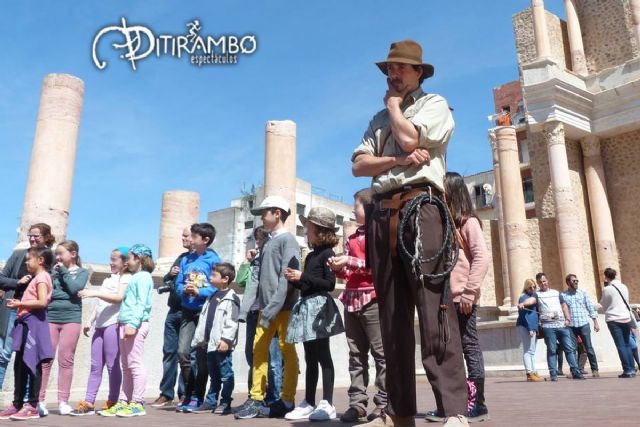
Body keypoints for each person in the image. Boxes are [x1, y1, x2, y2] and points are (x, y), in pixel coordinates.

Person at [352, 39, 468, 427]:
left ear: (420, 72)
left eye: (401, 68)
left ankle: (453, 411)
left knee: (433, 307)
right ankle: (399, 412)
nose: (393, 74)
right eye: (389, 68)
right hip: (381, 212)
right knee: (391, 315)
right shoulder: (376, 120)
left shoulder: (434, 105)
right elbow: (358, 166)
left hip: (422, 207)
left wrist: (392, 108)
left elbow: (410, 138)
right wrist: (398, 161)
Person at [426, 172, 491, 423]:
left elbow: (482, 258)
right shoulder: (445, 224)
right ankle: (453, 403)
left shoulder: (469, 223)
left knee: (469, 347)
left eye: (442, 191)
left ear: (452, 192)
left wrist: (469, 291)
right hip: (444, 300)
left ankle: (477, 402)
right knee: (447, 351)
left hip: (462, 298)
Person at [234, 195, 301, 419]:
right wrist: (245, 309)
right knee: (259, 351)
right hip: (265, 308)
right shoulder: (267, 243)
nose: (262, 217)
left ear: (277, 214)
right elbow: (255, 278)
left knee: (286, 350)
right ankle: (255, 398)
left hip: (284, 308)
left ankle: (287, 399)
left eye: (265, 212)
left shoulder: (288, 240)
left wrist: (273, 306)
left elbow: (288, 277)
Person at [328, 188, 386, 424]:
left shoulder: (378, 234)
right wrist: (338, 267)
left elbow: (378, 266)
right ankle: (357, 404)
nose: (353, 210)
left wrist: (350, 261)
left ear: (370, 208)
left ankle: (383, 403)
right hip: (351, 299)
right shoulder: (352, 238)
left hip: (373, 299)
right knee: (355, 355)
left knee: (381, 354)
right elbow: (350, 271)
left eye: (357, 205)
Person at [284, 207, 344, 421]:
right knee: (310, 357)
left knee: (323, 355)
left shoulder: (328, 254)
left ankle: (327, 402)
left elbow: (329, 284)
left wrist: (303, 276)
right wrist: (296, 279)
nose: (305, 229)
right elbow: (308, 283)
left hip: (319, 308)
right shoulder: (311, 256)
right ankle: (309, 401)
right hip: (307, 306)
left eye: (308, 226)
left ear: (319, 229)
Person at [71, 247, 131, 416]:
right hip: (100, 326)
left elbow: (119, 298)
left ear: (125, 263)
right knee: (95, 365)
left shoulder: (126, 278)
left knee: (113, 365)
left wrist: (93, 292)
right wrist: (90, 320)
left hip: (114, 325)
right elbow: (100, 304)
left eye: (114, 259)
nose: (111, 262)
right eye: (110, 259)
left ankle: (113, 401)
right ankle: (89, 402)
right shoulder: (107, 280)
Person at [98, 244, 155, 417]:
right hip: (126, 324)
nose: (127, 261)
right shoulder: (137, 277)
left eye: (129, 258)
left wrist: (132, 324)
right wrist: (122, 321)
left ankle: (137, 402)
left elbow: (141, 303)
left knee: (135, 364)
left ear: (138, 259)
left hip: (134, 325)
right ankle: (124, 401)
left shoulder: (143, 277)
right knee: (127, 366)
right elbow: (129, 303)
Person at [0, 246, 54, 420]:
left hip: (34, 324)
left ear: (40, 261)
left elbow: (42, 302)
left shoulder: (42, 278)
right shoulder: (36, 278)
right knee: (20, 365)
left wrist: (19, 305)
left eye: (29, 259)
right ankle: (17, 403)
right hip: (25, 323)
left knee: (33, 364)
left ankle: (32, 405)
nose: (26, 262)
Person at [39, 240, 89, 416]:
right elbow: (49, 293)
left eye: (61, 254)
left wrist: (64, 273)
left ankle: (63, 401)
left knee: (66, 360)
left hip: (71, 319)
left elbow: (76, 288)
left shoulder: (82, 272)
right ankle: (40, 400)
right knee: (46, 360)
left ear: (73, 254)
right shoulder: (52, 272)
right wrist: (66, 292)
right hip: (51, 317)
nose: (57, 257)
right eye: (56, 254)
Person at [175, 223, 221, 412]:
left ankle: (197, 397)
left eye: (194, 237)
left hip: (205, 312)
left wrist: (199, 291)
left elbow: (218, 285)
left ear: (205, 240)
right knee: (183, 353)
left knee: (200, 358)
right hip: (187, 311)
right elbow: (178, 285)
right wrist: (184, 290)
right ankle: (188, 393)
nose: (190, 239)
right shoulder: (186, 259)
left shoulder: (213, 259)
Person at [237, 226, 283, 407]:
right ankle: (255, 395)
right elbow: (241, 281)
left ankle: (273, 398)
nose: (257, 242)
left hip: (268, 312)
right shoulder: (255, 261)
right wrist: (247, 262)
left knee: (273, 358)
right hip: (253, 312)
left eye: (260, 238)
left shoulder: (272, 258)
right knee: (253, 355)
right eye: (255, 239)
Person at [189, 262, 240, 415]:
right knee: (214, 375)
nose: (210, 277)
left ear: (225, 279)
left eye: (214, 275)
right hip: (209, 344)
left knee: (225, 374)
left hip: (222, 344)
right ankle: (211, 401)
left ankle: (225, 402)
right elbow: (205, 319)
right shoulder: (211, 296)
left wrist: (226, 340)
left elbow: (232, 321)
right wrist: (200, 339)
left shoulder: (231, 298)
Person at [152, 227, 192, 407]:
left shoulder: (202, 258)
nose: (182, 238)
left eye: (186, 235)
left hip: (189, 310)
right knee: (169, 352)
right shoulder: (181, 257)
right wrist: (170, 274)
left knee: (185, 354)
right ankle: (166, 393)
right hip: (173, 309)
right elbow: (168, 280)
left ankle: (185, 393)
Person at [535, 273, 584, 381]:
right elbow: (531, 303)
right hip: (548, 326)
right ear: (538, 283)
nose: (543, 283)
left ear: (547, 281)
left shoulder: (556, 293)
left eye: (544, 281)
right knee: (552, 350)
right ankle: (553, 374)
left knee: (569, 349)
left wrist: (567, 319)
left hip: (562, 325)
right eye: (540, 282)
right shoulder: (536, 294)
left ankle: (575, 372)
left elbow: (563, 305)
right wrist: (523, 303)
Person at [599, 268, 636, 378]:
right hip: (626, 318)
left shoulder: (607, 289)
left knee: (621, 346)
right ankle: (632, 369)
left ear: (606, 276)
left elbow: (603, 304)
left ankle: (627, 370)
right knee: (627, 344)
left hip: (614, 319)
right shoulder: (624, 286)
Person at [561, 274, 600, 377]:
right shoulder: (563, 295)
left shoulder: (583, 293)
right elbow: (563, 310)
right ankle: (574, 371)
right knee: (572, 349)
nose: (576, 282)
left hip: (583, 324)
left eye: (577, 280)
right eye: (574, 281)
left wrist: (595, 322)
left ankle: (595, 370)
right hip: (571, 325)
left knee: (588, 347)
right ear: (568, 283)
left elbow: (590, 307)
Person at [515, 279, 543, 382]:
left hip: (533, 326)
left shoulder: (533, 296)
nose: (533, 289)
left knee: (532, 351)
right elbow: (525, 316)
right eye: (530, 287)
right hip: (526, 326)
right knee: (528, 350)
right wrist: (530, 328)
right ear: (526, 288)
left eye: (534, 287)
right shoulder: (523, 297)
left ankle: (534, 371)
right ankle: (529, 373)